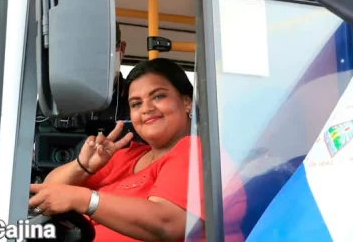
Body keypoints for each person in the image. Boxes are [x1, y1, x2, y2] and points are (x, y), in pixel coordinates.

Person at [29, 58, 246, 242]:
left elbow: (167, 223)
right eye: (136, 104)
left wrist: (84, 199)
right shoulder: (123, 155)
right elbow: (48, 193)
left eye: (158, 96)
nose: (146, 109)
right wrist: (83, 166)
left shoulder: (196, 151)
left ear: (187, 102)